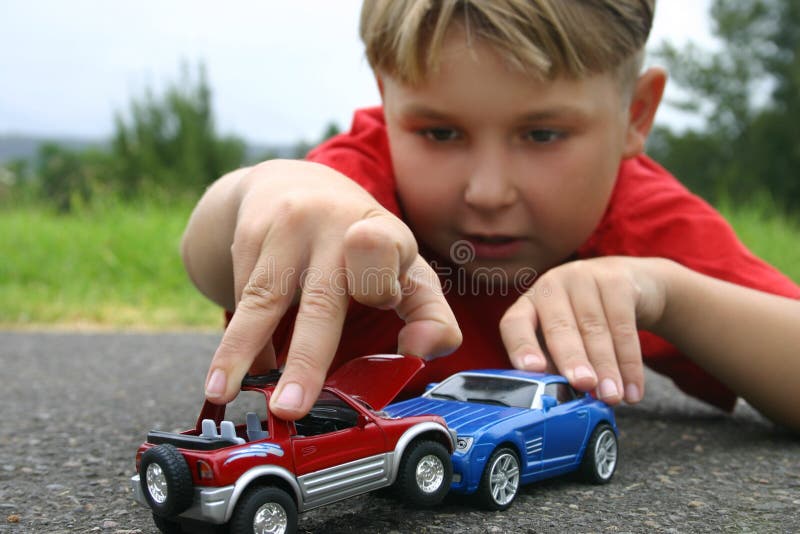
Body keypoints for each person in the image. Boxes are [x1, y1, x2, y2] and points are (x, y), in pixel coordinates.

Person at [181, 0, 800, 431]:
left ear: (635, 115)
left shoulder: (637, 218)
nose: (488, 191)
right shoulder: (351, 194)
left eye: (543, 134)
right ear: (385, 94)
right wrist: (260, 191)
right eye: (441, 131)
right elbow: (213, 260)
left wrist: (668, 294)